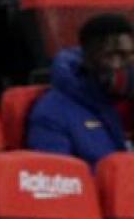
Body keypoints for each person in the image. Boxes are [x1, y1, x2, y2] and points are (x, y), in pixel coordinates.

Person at [25, 13, 134, 168]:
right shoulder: (52, 113)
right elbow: (60, 179)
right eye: (112, 55)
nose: (123, 64)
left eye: (129, 55)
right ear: (87, 58)